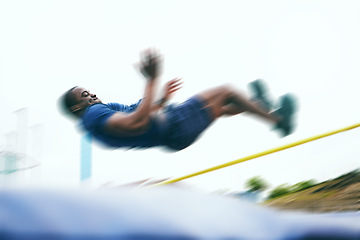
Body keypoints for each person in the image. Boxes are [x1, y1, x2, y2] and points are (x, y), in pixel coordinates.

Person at [60, 49, 296, 151]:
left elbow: (138, 110)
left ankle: (255, 105)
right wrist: (152, 80)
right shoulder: (93, 115)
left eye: (89, 92)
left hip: (174, 126)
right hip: (175, 125)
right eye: (85, 96)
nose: (92, 95)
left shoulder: (102, 111)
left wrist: (160, 97)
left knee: (223, 106)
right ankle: (279, 120)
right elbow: (137, 124)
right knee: (227, 91)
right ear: (77, 107)